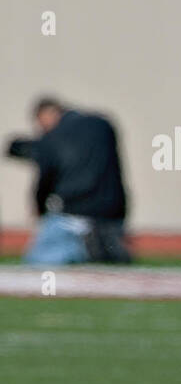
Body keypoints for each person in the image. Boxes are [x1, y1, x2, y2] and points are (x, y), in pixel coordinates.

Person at [5, 97, 130, 264]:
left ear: (46, 115)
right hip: (112, 214)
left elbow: (45, 178)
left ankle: (83, 250)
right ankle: (102, 247)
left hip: (72, 215)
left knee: (36, 262)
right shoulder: (102, 125)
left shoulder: (54, 135)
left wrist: (39, 209)